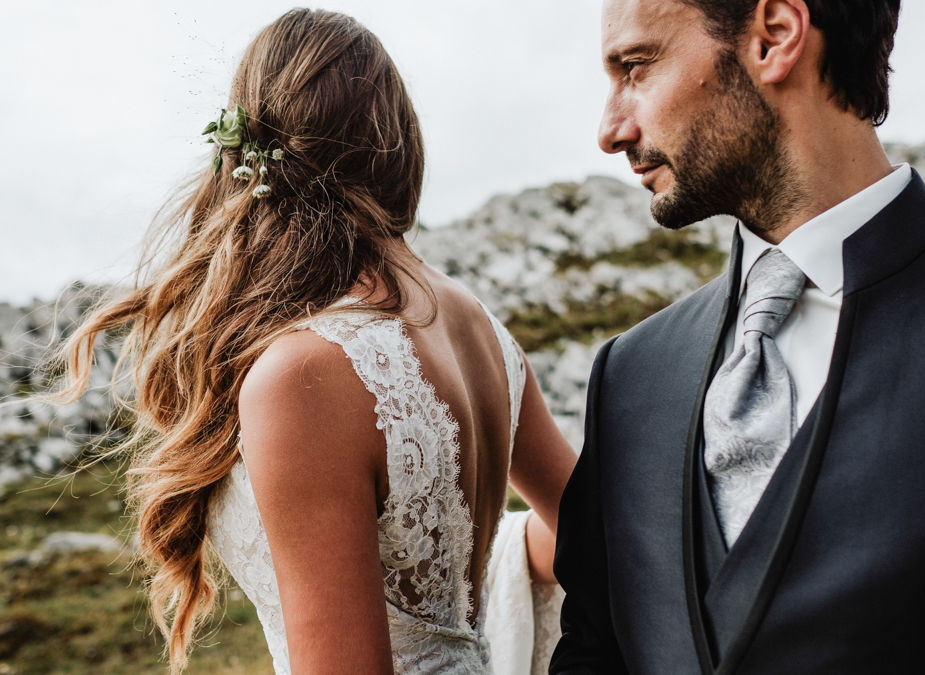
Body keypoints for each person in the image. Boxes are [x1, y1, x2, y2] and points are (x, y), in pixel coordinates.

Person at [52, 8, 575, 675]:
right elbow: (589, 526)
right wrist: (479, 591)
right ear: (399, 142)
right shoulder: (480, 325)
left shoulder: (306, 373)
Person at [552, 0, 925, 673]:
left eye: (635, 67)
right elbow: (593, 648)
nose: (610, 129)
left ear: (774, 36)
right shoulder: (629, 374)